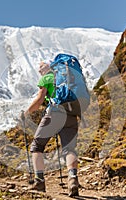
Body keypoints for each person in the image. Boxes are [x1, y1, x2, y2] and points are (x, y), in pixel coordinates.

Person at [23, 60, 80, 197]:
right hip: (71, 114)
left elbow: (40, 99)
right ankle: (72, 179)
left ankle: (40, 181)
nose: (39, 70)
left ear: (48, 67)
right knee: (69, 149)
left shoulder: (47, 77)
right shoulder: (66, 77)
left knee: (37, 146)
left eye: (41, 67)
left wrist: (26, 113)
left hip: (54, 113)